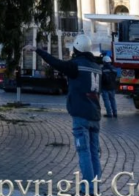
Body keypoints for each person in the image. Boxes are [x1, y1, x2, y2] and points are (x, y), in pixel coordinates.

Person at [31, 34, 103, 192]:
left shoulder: (76, 65)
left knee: (83, 151)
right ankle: (96, 187)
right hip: (95, 115)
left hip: (80, 115)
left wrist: (39, 50)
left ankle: (88, 189)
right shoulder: (97, 68)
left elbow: (56, 63)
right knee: (94, 153)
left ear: (76, 48)